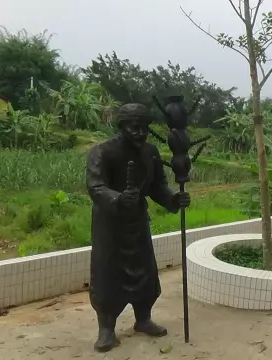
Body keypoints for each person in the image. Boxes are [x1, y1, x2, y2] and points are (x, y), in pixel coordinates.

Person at [86, 103, 191, 352]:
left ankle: (143, 319)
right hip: (109, 225)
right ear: (122, 126)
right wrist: (118, 198)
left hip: (138, 222)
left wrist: (172, 200)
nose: (141, 133)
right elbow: (96, 187)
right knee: (107, 274)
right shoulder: (101, 152)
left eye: (145, 128)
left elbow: (156, 187)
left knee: (144, 271)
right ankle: (106, 329)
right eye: (135, 127)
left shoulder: (151, 152)